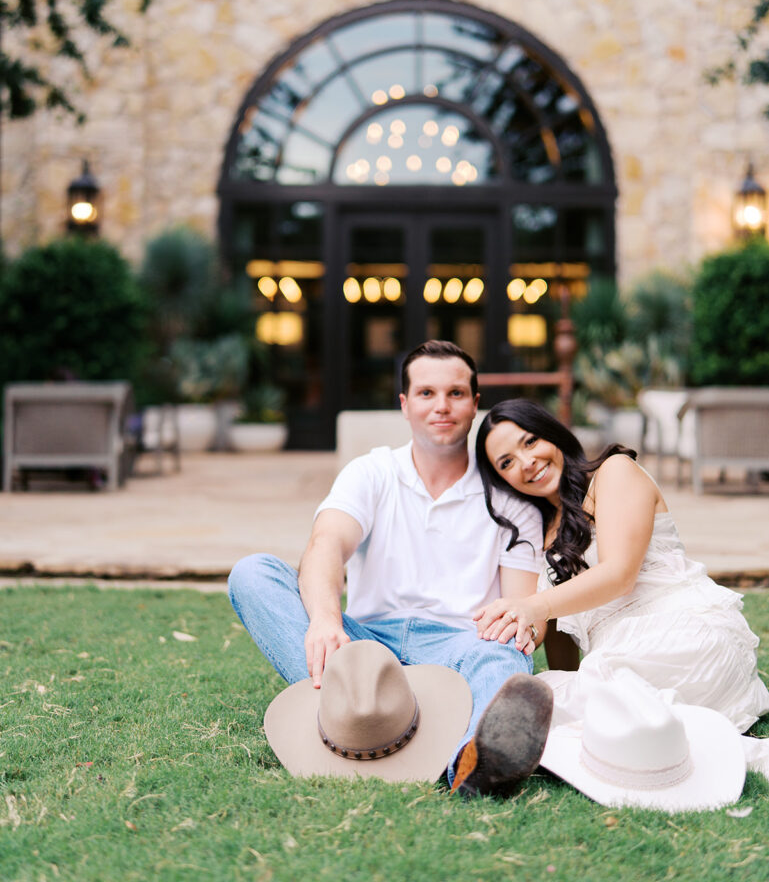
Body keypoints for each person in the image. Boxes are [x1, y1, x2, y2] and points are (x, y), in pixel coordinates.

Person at [228, 341, 553, 795]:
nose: (442, 406)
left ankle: (471, 762)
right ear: (404, 404)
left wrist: (517, 631)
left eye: (456, 394)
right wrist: (324, 621)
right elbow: (326, 545)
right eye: (426, 394)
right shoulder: (373, 471)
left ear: (476, 403)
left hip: (460, 648)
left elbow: (522, 610)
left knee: (507, 648)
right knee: (253, 573)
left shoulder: (510, 496)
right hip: (365, 648)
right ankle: (364, 707)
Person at [472, 398, 769, 777]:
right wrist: (516, 626)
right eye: (507, 462)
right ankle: (646, 737)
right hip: (616, 665)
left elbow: (619, 574)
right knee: (545, 690)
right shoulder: (539, 535)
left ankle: (748, 756)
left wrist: (534, 606)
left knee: (574, 705)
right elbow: (558, 628)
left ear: (554, 436)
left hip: (686, 636)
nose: (526, 462)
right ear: (501, 480)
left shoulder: (615, 472)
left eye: (530, 442)